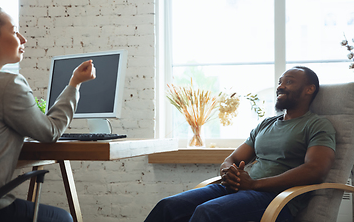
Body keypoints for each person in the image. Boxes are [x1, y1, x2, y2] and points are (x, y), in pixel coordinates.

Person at [144, 66, 336, 222]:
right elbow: (233, 159)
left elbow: (315, 169)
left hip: (274, 198)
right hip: (239, 188)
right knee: (167, 206)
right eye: (279, 82)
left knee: (207, 212)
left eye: (289, 82)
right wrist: (228, 172)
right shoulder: (266, 123)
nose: (280, 86)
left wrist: (255, 184)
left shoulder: (317, 125)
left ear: (309, 89)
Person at [0, 4, 96, 222]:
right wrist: (75, 84)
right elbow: (50, 131)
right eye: (14, 31)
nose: (23, 39)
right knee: (63, 219)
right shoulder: (8, 85)